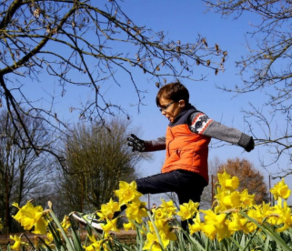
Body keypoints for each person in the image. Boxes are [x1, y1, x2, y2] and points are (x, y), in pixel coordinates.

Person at [72, 81, 254, 230]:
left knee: (136, 186)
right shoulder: (176, 125)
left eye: (165, 107)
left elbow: (215, 128)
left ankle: (104, 217)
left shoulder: (193, 117)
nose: (162, 112)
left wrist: (241, 139)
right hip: (193, 178)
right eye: (160, 109)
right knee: (188, 224)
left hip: (185, 172)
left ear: (180, 103)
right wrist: (146, 145)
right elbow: (166, 141)